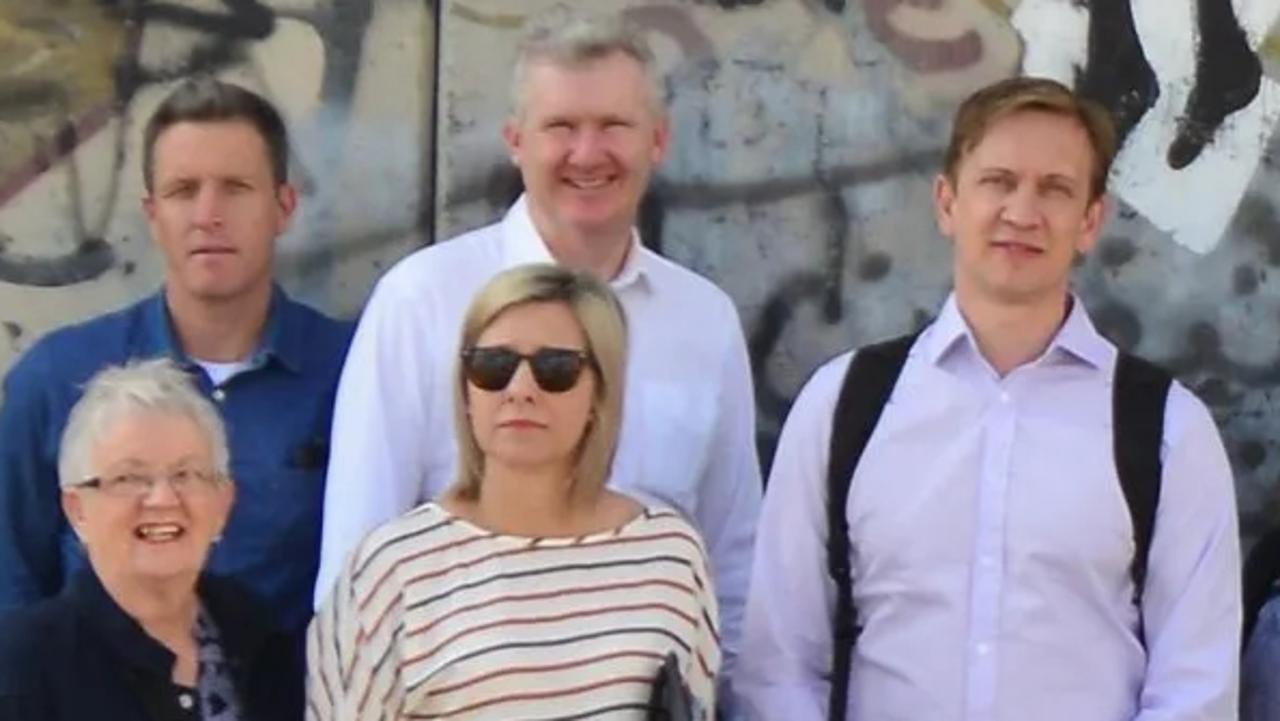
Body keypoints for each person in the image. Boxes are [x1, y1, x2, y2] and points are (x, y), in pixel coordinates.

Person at [736, 76, 1240, 720]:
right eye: (998, 181)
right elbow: (778, 665)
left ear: (1090, 221)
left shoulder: (1168, 430)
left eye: (1055, 189)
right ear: (947, 202)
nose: (1022, 213)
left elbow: (1196, 688)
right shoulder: (844, 406)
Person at [315, 10, 759, 697]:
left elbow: (735, 566)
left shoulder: (704, 320)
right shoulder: (421, 301)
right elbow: (353, 568)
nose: (587, 153)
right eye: (560, 127)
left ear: (659, 140)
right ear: (516, 141)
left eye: (613, 125)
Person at [0, 79, 353, 646]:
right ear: (152, 212)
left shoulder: (350, 373)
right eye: (184, 190)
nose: (208, 215)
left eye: (235, 188)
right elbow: (11, 585)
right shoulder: (57, 379)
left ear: (283, 206)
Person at [309, 264, 720, 720]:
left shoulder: (670, 556)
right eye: (493, 366)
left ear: (599, 393)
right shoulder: (390, 571)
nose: (520, 389)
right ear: (465, 390)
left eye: (556, 369)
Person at [0, 359, 301, 720]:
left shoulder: (258, 636)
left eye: (186, 474)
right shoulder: (22, 662)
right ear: (77, 509)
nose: (162, 499)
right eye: (129, 478)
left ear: (223, 502)